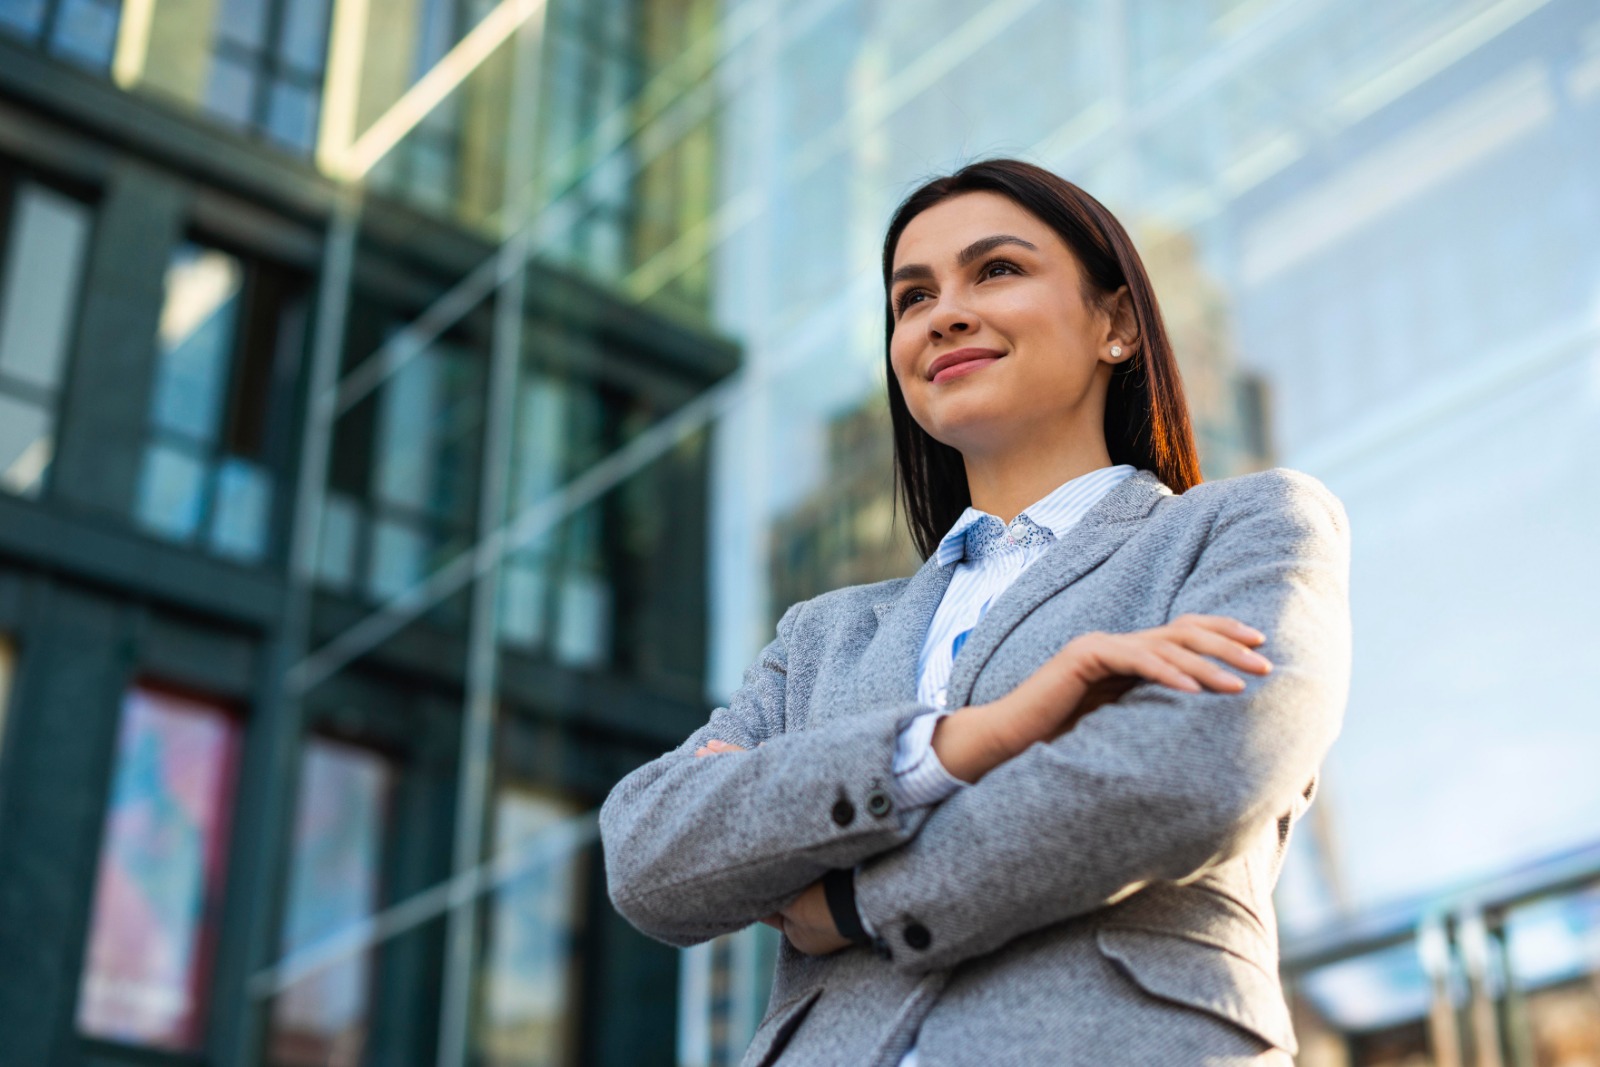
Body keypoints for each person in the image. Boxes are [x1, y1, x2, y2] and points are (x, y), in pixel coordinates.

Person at [599, 158, 1352, 1066]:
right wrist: (956, 745)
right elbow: (650, 851)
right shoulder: (821, 635)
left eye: (996, 270)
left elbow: (1196, 770)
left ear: (1115, 323)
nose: (943, 313)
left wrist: (844, 902)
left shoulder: (1245, 526)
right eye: (913, 298)